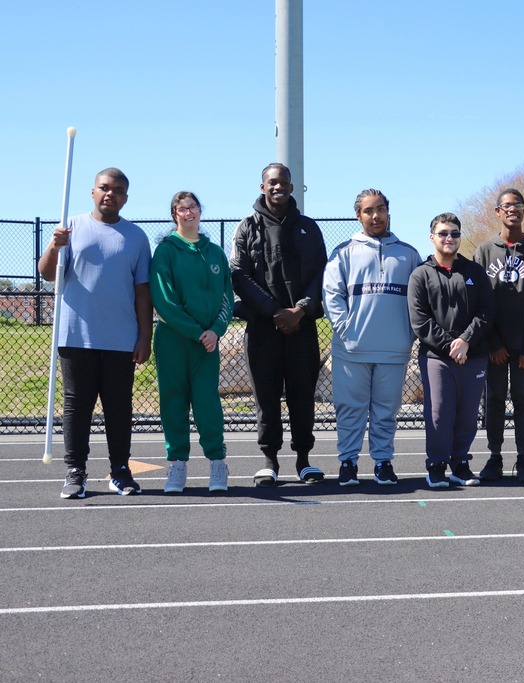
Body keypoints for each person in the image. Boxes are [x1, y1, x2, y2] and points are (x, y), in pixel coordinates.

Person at [37, 168, 152, 498]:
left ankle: (120, 470)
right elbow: (48, 275)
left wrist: (146, 336)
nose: (110, 194)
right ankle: (75, 472)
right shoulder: (70, 227)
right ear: (93, 191)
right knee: (77, 406)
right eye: (104, 188)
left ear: (125, 198)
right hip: (76, 336)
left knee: (119, 407)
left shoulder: (136, 237)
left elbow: (142, 291)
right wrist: (55, 247)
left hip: (120, 338)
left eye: (117, 190)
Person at [230, 163, 327, 487]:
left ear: (291, 186)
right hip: (262, 330)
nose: (278, 187)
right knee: (266, 399)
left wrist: (299, 311)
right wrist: (274, 311)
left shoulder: (309, 229)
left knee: (302, 397)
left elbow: (320, 275)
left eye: (283, 182)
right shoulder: (247, 228)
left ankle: (304, 460)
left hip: (302, 329)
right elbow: (239, 275)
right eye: (272, 182)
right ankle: (269, 460)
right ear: (262, 186)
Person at [324, 189, 420, 487]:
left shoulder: (408, 254)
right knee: (349, 409)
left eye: (380, 209)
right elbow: (331, 296)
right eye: (369, 211)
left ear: (388, 211)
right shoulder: (343, 252)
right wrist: (346, 330)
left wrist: (409, 335)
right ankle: (348, 463)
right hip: (352, 350)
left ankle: (382, 462)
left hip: (394, 350)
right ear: (359, 215)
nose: (375, 215)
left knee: (386, 411)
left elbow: (420, 301)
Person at [150, 192, 234, 492]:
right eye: (182, 209)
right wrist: (196, 331)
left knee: (207, 403)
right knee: (173, 402)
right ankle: (176, 466)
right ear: (174, 214)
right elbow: (164, 299)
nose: (188, 213)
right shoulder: (165, 251)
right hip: (174, 341)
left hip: (208, 344)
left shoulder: (214, 253)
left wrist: (215, 330)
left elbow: (227, 296)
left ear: (200, 211)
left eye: (193, 207)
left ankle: (217, 465)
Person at [408, 213, 493, 488]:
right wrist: (449, 345)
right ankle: (436, 465)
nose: (449, 238)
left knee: (468, 413)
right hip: (437, 357)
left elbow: (486, 311)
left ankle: (460, 464)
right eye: (443, 233)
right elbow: (419, 320)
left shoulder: (474, 271)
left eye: (454, 233)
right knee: (439, 413)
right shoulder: (421, 274)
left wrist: (466, 340)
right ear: (432, 237)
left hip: (473, 354)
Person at [473, 189, 524, 482]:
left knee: (522, 399)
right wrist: (492, 342)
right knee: (493, 399)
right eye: (506, 206)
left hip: (523, 347)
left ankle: (523, 458)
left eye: (517, 205)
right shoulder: (484, 251)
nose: (512, 210)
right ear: (497, 212)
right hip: (494, 346)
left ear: (523, 210)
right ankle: (494, 457)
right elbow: (479, 300)